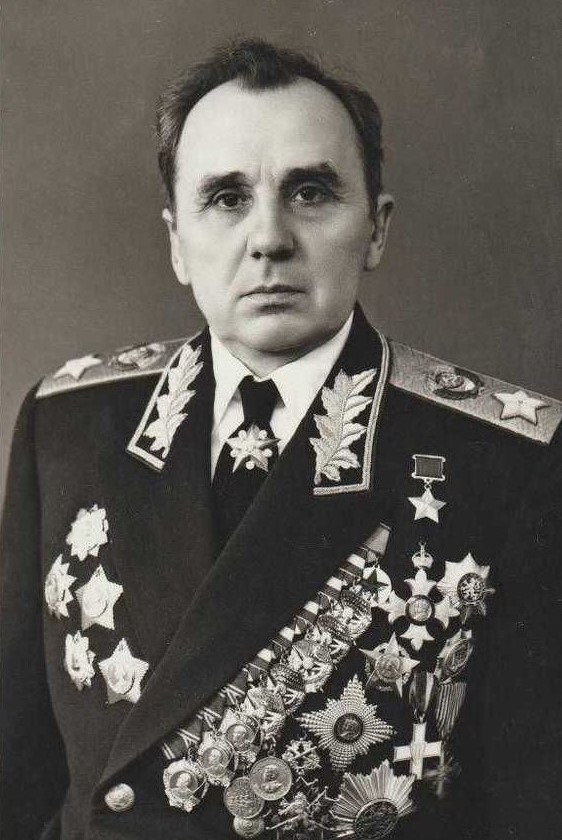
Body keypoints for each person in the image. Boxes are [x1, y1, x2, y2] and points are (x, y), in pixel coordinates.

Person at [1, 39, 561, 840]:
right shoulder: (68, 426)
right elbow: (18, 778)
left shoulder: (508, 462)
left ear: (376, 229)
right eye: (227, 198)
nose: (269, 238)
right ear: (176, 241)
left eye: (309, 192)